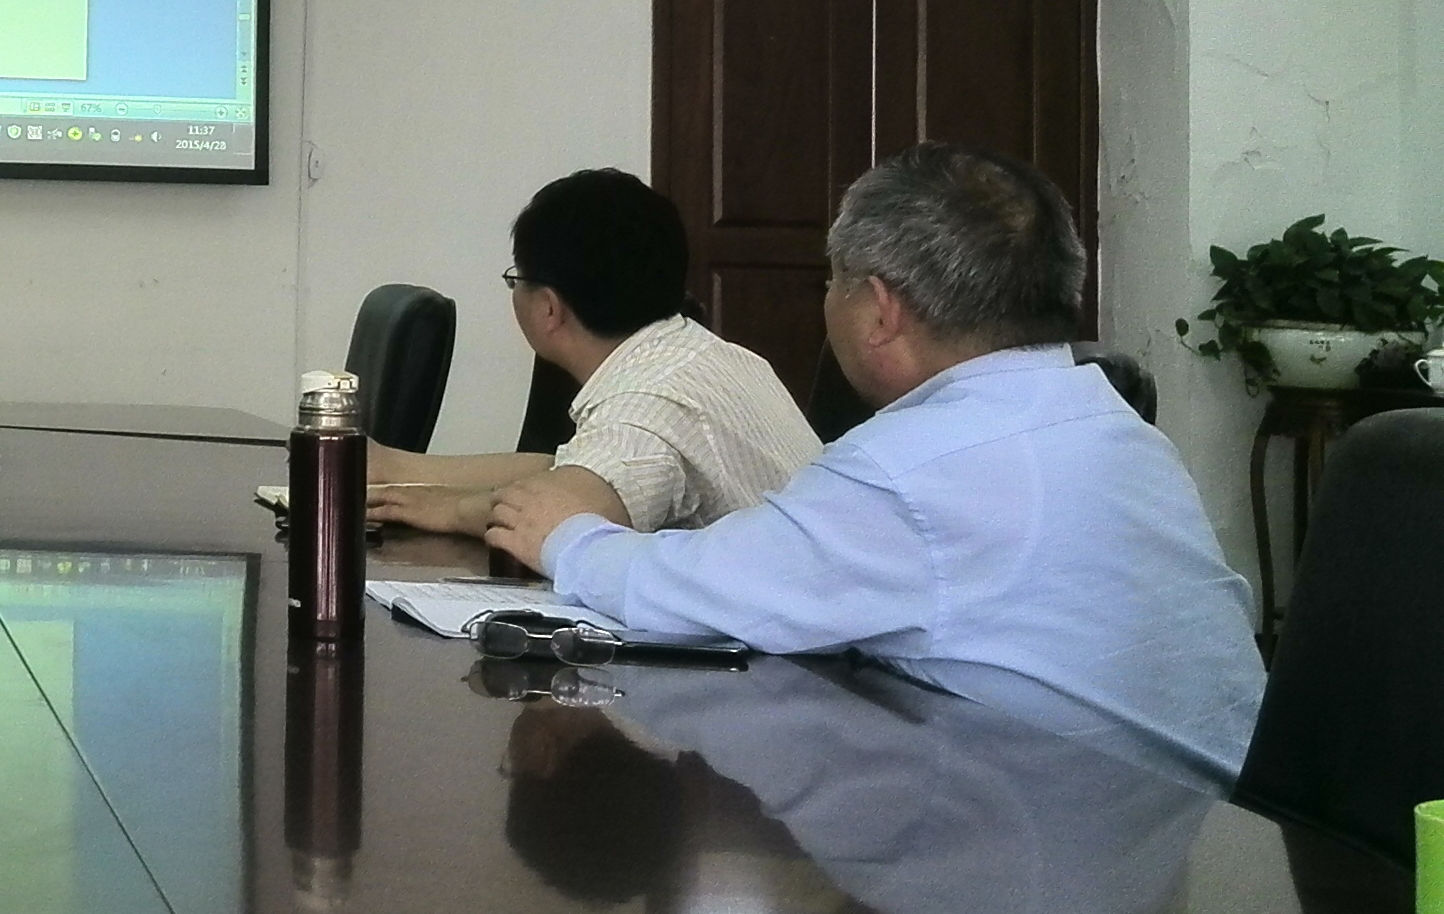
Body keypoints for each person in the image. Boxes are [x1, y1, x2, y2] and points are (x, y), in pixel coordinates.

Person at [486, 144, 1266, 780]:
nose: (826, 301)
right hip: (1217, 832)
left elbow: (701, 591)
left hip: (1083, 833)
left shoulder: (918, 465)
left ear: (881, 311)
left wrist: (566, 537)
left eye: (834, 282)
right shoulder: (1113, 424)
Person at [366, 169, 819, 539]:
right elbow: (564, 468)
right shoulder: (697, 354)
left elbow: (555, 514)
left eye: (516, 279)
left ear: (548, 308)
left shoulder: (647, 407)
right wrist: (394, 467)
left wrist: (448, 510)